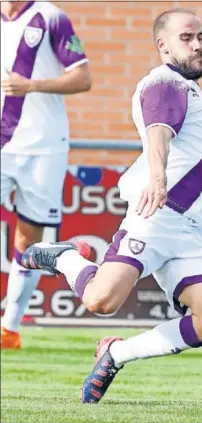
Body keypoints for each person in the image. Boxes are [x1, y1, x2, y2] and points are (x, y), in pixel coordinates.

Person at [20, 8, 202, 403]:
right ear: (163, 46)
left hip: (193, 232)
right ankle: (66, 256)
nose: (197, 45)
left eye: (200, 37)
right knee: (100, 301)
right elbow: (159, 133)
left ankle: (115, 354)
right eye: (187, 38)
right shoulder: (163, 83)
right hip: (155, 217)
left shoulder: (194, 95)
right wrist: (157, 178)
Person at [1, 1, 92, 349]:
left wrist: (32, 85)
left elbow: (83, 78)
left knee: (29, 238)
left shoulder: (51, 17)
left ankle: (9, 329)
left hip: (43, 146)